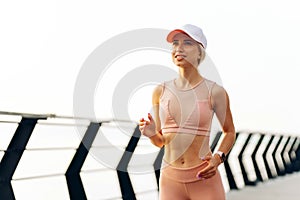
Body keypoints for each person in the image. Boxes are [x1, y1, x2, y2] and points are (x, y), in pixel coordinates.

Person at [139, 24, 236, 200]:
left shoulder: (215, 92)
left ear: (200, 52)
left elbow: (229, 131)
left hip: (204, 178)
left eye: (187, 43)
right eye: (175, 43)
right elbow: (160, 141)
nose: (179, 48)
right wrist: (152, 134)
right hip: (170, 180)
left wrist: (217, 158)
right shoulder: (160, 91)